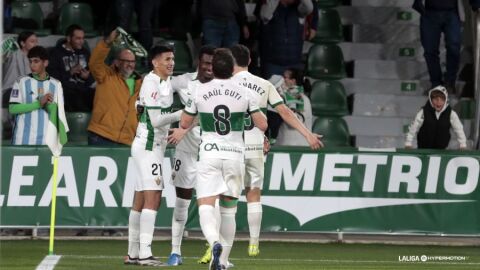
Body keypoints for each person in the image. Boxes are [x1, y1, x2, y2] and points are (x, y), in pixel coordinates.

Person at [230, 44, 323, 257]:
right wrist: (308, 134)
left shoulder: (224, 85)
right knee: (254, 195)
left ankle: (218, 245)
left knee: (228, 198)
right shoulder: (263, 84)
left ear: (230, 62)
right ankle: (254, 243)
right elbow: (285, 112)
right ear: (250, 61)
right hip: (255, 146)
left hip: (231, 147)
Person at [180, 48, 267, 270]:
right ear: (232, 68)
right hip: (235, 155)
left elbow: (184, 123)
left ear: (213, 68)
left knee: (206, 205)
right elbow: (263, 124)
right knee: (229, 209)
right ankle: (223, 261)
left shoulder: (199, 90)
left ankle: (214, 242)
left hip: (209, 153)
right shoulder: (246, 92)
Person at [125, 44, 180, 266]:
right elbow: (157, 120)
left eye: (173, 59)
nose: (171, 63)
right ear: (155, 62)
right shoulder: (151, 83)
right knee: (153, 196)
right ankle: (145, 252)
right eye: (166, 59)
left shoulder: (164, 82)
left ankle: (132, 252)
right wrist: (183, 113)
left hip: (152, 147)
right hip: (148, 147)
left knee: (139, 199)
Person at [165, 45, 216, 266]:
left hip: (211, 153)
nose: (209, 68)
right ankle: (175, 251)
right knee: (181, 203)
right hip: (185, 152)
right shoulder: (184, 81)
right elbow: (160, 83)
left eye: (213, 64)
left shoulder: (221, 86)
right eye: (206, 63)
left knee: (211, 206)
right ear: (199, 62)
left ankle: (214, 249)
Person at [412, 0, 480, 93]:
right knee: (430, 50)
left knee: (454, 47)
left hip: (452, 12)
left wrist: (476, 4)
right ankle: (436, 83)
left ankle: (450, 82)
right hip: (429, 12)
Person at [87, 29, 141, 146]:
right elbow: (94, 62)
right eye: (126, 61)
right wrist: (107, 42)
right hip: (102, 136)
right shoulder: (106, 75)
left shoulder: (140, 83)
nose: (130, 64)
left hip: (128, 140)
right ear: (117, 62)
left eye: (132, 61)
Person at [9, 46, 64, 145]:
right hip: (23, 140)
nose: (32, 65)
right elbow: (13, 108)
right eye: (30, 61)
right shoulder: (20, 82)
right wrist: (39, 103)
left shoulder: (56, 84)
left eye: (36, 61)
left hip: (46, 142)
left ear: (45, 63)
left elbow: (59, 115)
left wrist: (49, 106)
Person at [256, 0, 313, 79]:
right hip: (272, 64)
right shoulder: (270, 8)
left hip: (294, 63)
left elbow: (309, 7)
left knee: (295, 91)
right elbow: (264, 15)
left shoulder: (299, 11)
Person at [47, 24, 95, 112]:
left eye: (83, 38)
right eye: (78, 38)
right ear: (69, 39)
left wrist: (87, 77)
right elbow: (52, 79)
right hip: (66, 92)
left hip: (84, 90)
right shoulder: (56, 53)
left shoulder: (85, 53)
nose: (82, 41)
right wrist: (70, 73)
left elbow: (93, 76)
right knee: (75, 98)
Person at [3, 31, 38, 98]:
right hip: (9, 90)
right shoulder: (14, 54)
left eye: (36, 41)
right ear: (22, 43)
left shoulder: (33, 59)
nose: (36, 44)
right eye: (32, 41)